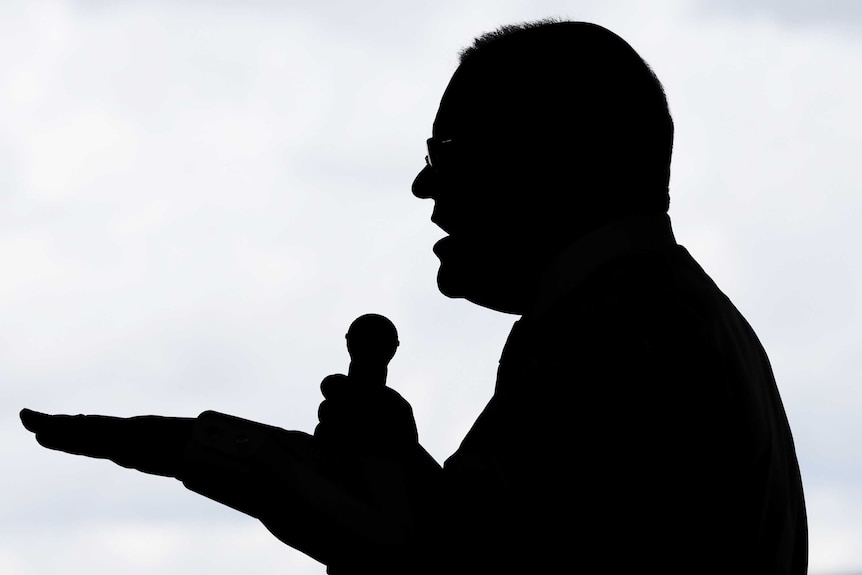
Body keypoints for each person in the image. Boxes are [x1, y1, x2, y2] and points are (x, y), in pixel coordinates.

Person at [20, 19, 807, 574]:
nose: (424, 183)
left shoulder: (616, 335)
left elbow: (441, 561)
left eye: (448, 151)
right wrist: (393, 467)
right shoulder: (664, 319)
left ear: (550, 155)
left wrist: (222, 454)